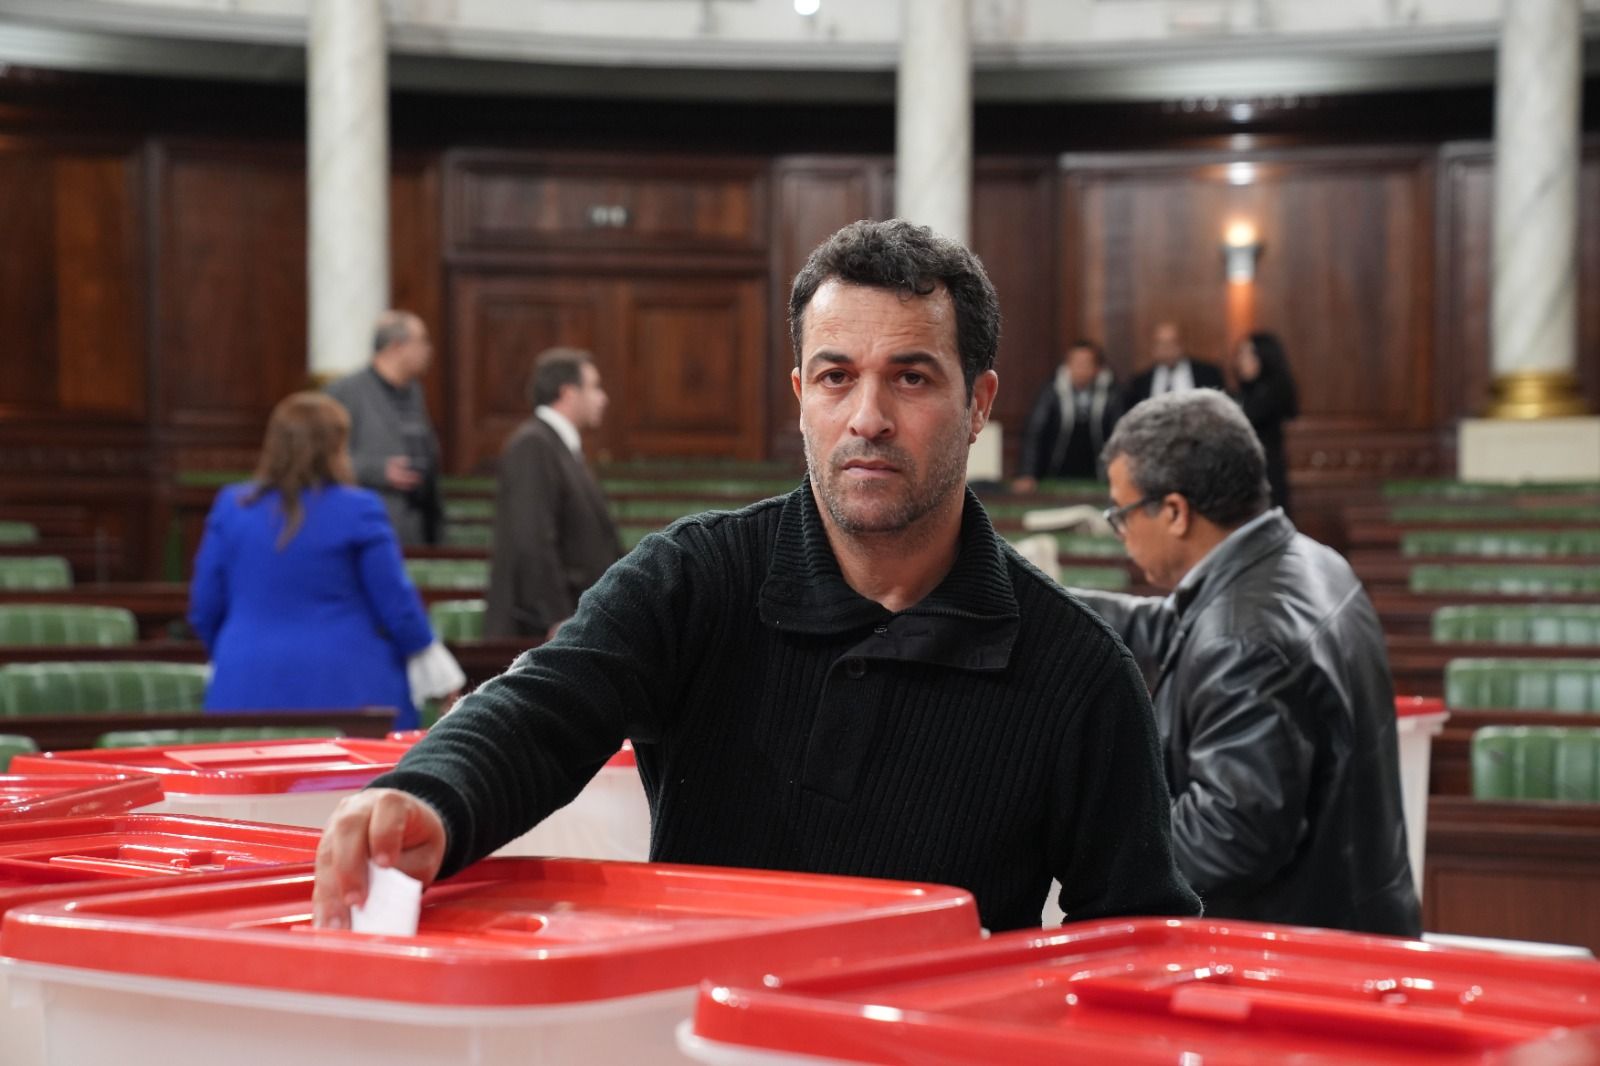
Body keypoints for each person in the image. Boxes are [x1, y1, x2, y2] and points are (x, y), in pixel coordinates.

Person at [313, 219, 1201, 934]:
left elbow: (1136, 942)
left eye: (911, 378)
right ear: (801, 395)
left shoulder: (1081, 673)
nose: (867, 417)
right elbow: (545, 706)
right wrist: (427, 794)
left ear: (978, 404)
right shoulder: (692, 579)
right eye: (837, 377)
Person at [1072, 391, 1419, 936]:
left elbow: (1226, 837)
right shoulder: (1308, 562)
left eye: (1122, 514)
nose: (1121, 534)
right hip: (1357, 920)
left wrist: (1088, 834)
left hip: (1297, 954)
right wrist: (1040, 602)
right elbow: (1175, 627)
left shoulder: (1242, 637)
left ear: (1175, 512)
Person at [188, 392, 460, 731]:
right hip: (350, 686)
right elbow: (396, 605)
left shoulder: (233, 506)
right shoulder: (359, 508)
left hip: (246, 682)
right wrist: (434, 667)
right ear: (336, 447)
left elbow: (204, 607)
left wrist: (240, 648)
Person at [485, 347, 624, 640]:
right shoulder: (533, 445)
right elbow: (532, 538)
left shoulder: (559, 446)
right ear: (568, 393)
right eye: (594, 387)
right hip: (542, 629)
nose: (603, 398)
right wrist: (557, 617)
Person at [326, 310, 444, 546]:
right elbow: (322, 459)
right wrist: (377, 471)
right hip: (369, 527)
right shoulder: (346, 392)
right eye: (422, 341)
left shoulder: (414, 391)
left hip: (416, 526)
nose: (428, 350)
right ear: (396, 346)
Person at [1013, 340, 1123, 489]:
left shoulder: (1112, 395)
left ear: (1097, 368)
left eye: (1086, 363)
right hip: (1054, 473)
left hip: (1099, 476)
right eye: (1076, 363)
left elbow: (1120, 437)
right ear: (1067, 366)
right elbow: (1034, 434)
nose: (1081, 369)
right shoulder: (1051, 392)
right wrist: (1027, 473)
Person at [1230, 331, 1299, 513]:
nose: (1241, 361)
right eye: (1240, 354)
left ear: (1264, 357)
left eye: (1248, 354)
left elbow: (1246, 420)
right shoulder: (1242, 392)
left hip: (1267, 476)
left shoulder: (1273, 392)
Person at [1121, 321, 1224, 408]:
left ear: (1182, 344)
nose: (1167, 349)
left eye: (1172, 343)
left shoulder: (1208, 374)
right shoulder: (1141, 382)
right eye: (1162, 344)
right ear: (1153, 348)